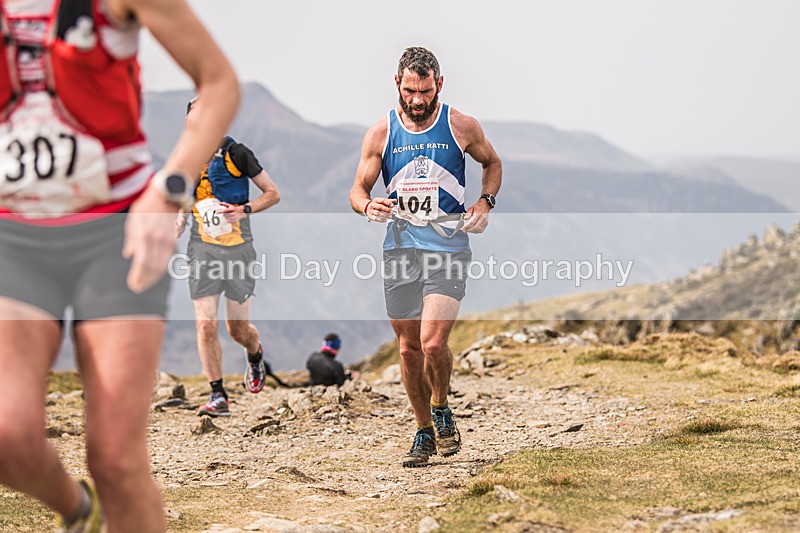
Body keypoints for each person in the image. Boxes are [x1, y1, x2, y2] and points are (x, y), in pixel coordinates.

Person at [0, 0, 238, 531]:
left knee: (116, 458)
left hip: (115, 234)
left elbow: (219, 84)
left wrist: (170, 189)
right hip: (14, 236)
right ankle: (78, 512)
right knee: (7, 434)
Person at [349, 47, 502, 468]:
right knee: (407, 349)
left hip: (448, 245)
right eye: (410, 91)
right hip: (400, 248)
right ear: (397, 84)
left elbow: (492, 162)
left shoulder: (461, 125)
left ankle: (440, 405)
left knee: (433, 342)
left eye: (426, 90)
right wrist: (367, 206)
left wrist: (484, 203)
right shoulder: (381, 133)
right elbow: (356, 190)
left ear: (440, 85)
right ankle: (422, 431)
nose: (418, 100)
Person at [176, 100, 281, 417]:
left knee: (237, 329)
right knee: (206, 325)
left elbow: (272, 193)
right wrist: (180, 218)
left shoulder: (238, 154)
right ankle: (218, 394)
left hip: (238, 249)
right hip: (202, 249)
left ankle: (255, 352)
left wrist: (243, 210)